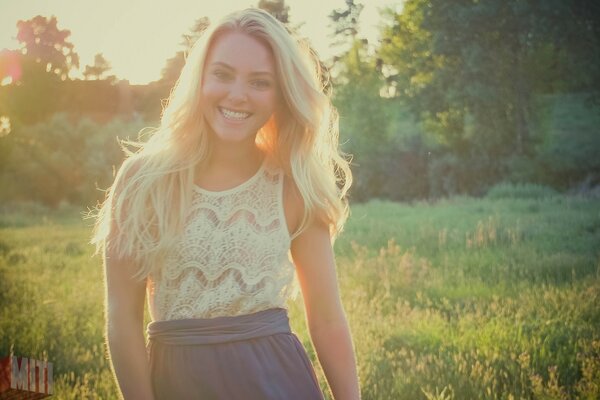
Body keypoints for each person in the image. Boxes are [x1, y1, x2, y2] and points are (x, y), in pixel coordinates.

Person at [92, 7, 359, 400]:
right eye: (222, 74)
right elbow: (122, 319)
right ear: (199, 79)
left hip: (277, 382)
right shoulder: (143, 181)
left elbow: (327, 318)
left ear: (281, 93)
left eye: (260, 82)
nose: (237, 94)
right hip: (178, 380)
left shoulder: (293, 186)